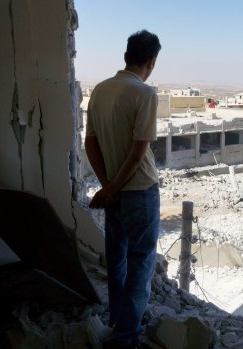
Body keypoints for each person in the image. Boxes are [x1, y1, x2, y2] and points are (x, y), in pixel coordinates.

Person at [85, 30, 161, 349]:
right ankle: (126, 337)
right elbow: (138, 150)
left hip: (113, 193)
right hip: (140, 191)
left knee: (117, 257)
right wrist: (114, 186)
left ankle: (118, 319)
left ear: (126, 55)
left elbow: (90, 143)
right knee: (141, 262)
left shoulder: (100, 90)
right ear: (151, 61)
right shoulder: (145, 93)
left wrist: (107, 187)